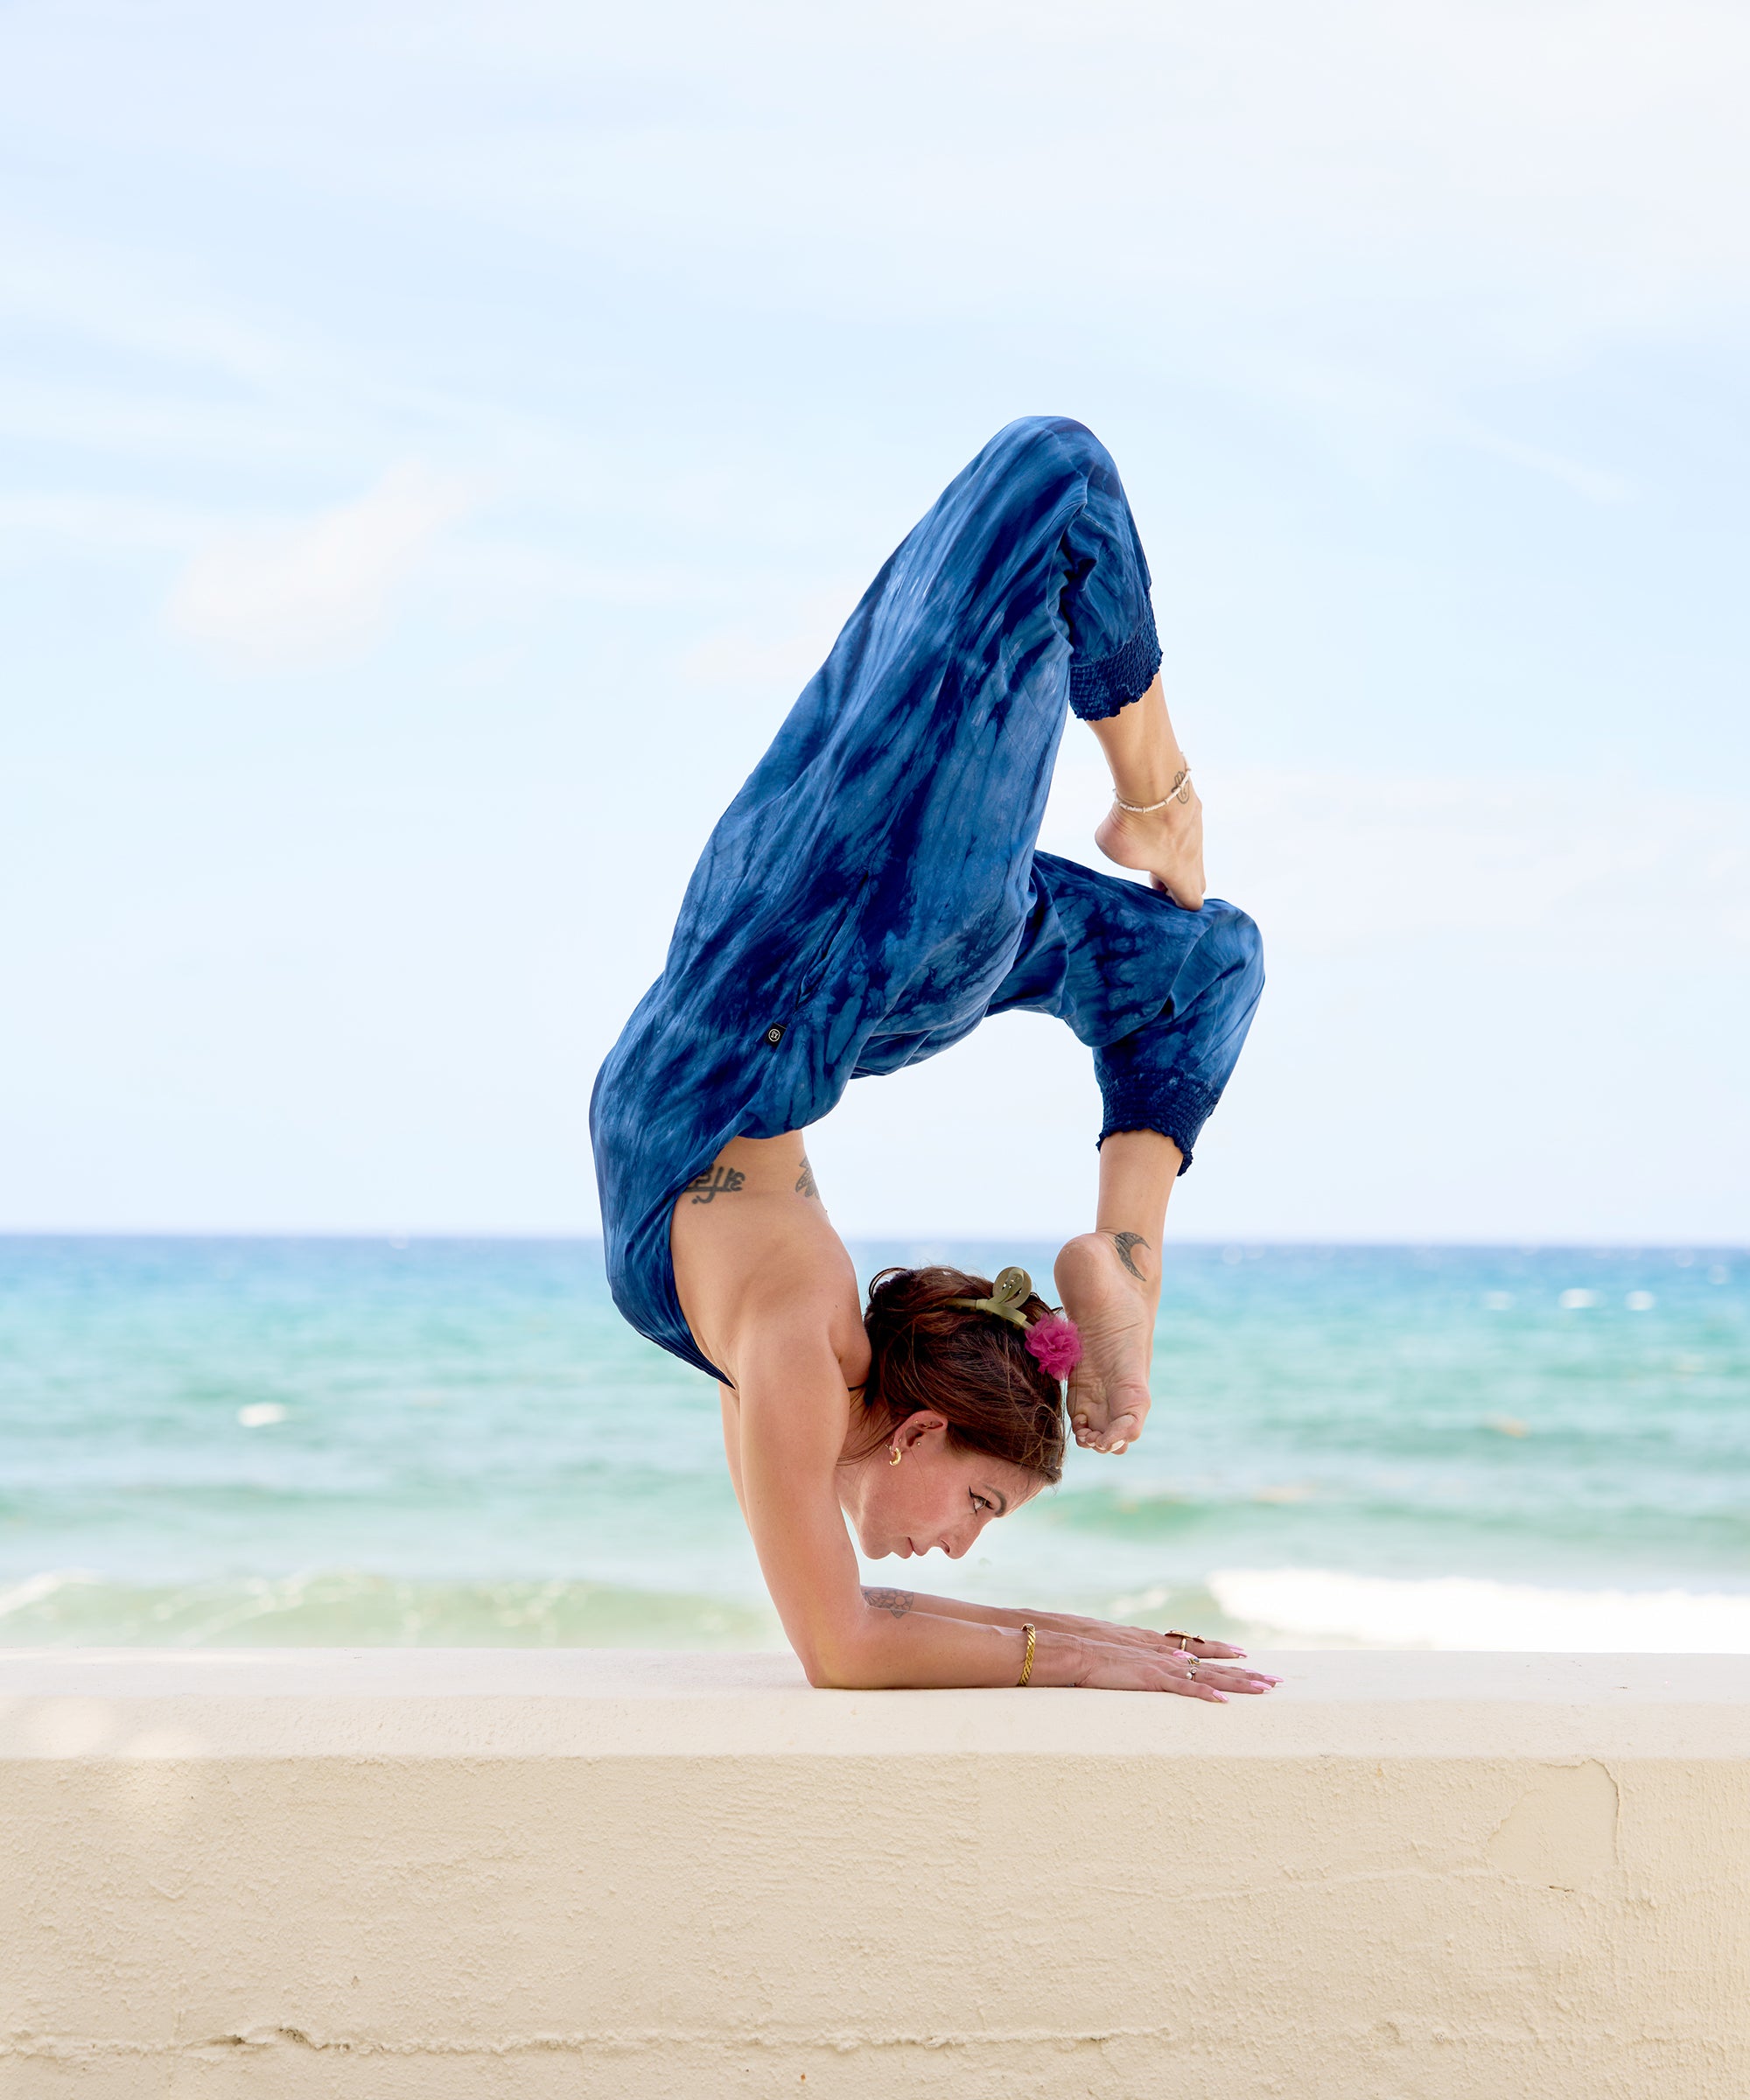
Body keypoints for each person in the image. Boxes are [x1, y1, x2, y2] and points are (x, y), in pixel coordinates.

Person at [592, 417, 1271, 1698]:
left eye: (981, 1517)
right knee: (1052, 482)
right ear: (917, 1429)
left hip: (818, 970)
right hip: (825, 957)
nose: (957, 1542)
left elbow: (848, 1625)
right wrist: (1100, 1663)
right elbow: (851, 1644)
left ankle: (1129, 1247)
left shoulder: (790, 1361)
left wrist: (1124, 1647)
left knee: (1203, 965)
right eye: (982, 1507)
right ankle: (1160, 798)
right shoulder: (797, 1349)